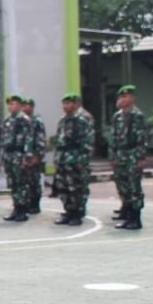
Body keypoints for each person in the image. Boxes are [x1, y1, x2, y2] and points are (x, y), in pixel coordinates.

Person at [110, 85, 148, 230]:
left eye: (125, 96)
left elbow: (141, 138)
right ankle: (127, 214)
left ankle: (135, 218)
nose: (122, 99)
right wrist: (113, 156)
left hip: (133, 154)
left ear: (133, 98)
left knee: (134, 187)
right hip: (120, 154)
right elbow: (113, 138)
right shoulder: (117, 116)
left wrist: (141, 157)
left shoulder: (137, 116)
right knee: (122, 185)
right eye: (121, 97)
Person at [53, 93, 94, 226]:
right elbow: (59, 141)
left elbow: (87, 142)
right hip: (63, 159)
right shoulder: (63, 120)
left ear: (76, 104)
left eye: (69, 103)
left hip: (76, 159)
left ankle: (77, 213)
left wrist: (82, 160)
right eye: (64, 103)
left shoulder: (82, 120)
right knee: (63, 187)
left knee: (76, 187)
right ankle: (68, 211)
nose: (66, 106)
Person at [2, 94, 36, 222]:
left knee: (22, 183)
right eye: (9, 104)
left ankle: (23, 209)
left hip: (19, 154)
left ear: (20, 106)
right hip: (10, 155)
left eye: (13, 104)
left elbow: (28, 139)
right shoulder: (8, 120)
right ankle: (16, 208)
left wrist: (27, 157)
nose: (10, 106)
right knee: (14, 184)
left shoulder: (24, 120)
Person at [22, 98, 47, 214]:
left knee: (34, 181)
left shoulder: (37, 121)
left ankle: (35, 204)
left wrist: (38, 155)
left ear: (32, 107)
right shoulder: (22, 121)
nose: (24, 108)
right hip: (25, 156)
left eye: (27, 105)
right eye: (23, 105)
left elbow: (41, 139)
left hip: (34, 156)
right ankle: (27, 203)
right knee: (25, 181)